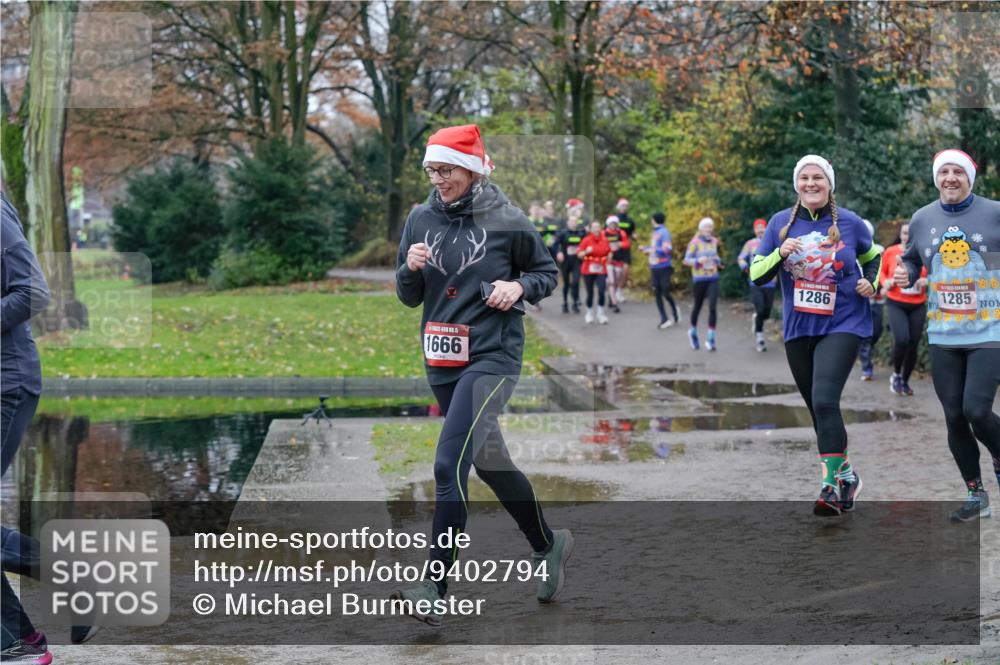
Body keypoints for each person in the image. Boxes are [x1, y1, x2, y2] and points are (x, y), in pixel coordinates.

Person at [394, 124, 572, 624]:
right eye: (431, 170)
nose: (437, 179)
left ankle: (433, 586)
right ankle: (548, 544)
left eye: (445, 170)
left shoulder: (507, 219)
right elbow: (408, 296)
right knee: (492, 463)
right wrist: (408, 269)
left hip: (493, 357)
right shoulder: (420, 218)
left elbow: (546, 274)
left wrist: (518, 288)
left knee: (447, 464)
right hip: (441, 360)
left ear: (471, 170)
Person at [750, 155, 882, 517]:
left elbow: (874, 257)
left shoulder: (851, 223)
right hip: (799, 327)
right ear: (797, 184)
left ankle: (829, 486)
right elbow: (756, 274)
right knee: (818, 409)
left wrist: (871, 282)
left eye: (818, 178)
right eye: (805, 178)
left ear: (829, 184)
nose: (811, 183)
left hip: (843, 322)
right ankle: (848, 476)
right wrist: (780, 252)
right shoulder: (779, 223)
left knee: (825, 400)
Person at [893, 149, 1000, 522]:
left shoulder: (994, 212)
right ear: (936, 178)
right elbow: (912, 258)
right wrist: (906, 272)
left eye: (958, 172)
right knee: (954, 416)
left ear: (970, 177)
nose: (950, 178)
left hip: (990, 330)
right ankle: (976, 495)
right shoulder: (923, 218)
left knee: (976, 410)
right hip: (944, 333)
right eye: (944, 172)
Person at [880, 221, 927, 394]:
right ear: (900, 235)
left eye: (910, 233)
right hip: (896, 303)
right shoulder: (891, 252)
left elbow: (935, 272)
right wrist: (886, 282)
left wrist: (927, 280)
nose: (908, 236)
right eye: (905, 233)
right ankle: (896, 374)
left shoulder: (923, 252)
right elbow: (881, 272)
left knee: (913, 344)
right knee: (902, 339)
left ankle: (905, 381)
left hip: (917, 304)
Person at [738, 218, 777, 352]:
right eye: (757, 228)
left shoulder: (773, 242)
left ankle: (757, 319)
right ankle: (760, 339)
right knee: (760, 310)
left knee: (766, 312)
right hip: (755, 281)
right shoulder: (750, 244)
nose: (760, 230)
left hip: (771, 282)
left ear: (766, 229)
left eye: (762, 227)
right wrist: (745, 267)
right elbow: (741, 258)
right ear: (754, 230)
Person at [683, 217, 723, 351]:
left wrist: (718, 261)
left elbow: (715, 256)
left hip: (713, 277)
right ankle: (693, 332)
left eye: (710, 227)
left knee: (712, 307)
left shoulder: (714, 241)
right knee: (698, 306)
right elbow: (686, 260)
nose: (708, 229)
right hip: (699, 278)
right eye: (706, 227)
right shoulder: (694, 243)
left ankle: (711, 338)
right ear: (700, 229)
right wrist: (698, 261)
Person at [856, 219, 886, 380]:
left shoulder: (879, 250)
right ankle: (867, 368)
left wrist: (881, 286)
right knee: (866, 336)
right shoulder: (852, 249)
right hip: (860, 300)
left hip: (878, 299)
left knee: (877, 331)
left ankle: (861, 350)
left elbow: (884, 271)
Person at [642, 212, 679, 329]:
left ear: (654, 220)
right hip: (654, 266)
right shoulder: (655, 233)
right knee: (657, 292)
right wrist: (646, 249)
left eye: (651, 219)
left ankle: (675, 310)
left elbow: (667, 249)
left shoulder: (664, 232)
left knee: (665, 291)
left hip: (664, 266)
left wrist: (652, 251)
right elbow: (655, 248)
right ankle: (664, 318)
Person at [552, 200, 585, 314]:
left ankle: (575, 303)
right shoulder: (562, 232)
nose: (573, 223)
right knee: (566, 283)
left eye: (575, 222)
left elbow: (586, 243)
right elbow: (555, 244)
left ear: (577, 223)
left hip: (576, 261)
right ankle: (565, 303)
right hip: (565, 261)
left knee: (576, 282)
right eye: (571, 222)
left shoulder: (581, 233)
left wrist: (584, 251)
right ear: (568, 223)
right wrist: (558, 252)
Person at [577, 220, 612, 324]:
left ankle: (600, 314)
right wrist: (586, 251)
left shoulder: (605, 239)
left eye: (598, 227)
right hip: (588, 269)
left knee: (602, 291)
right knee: (590, 293)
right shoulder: (586, 240)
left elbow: (609, 251)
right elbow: (579, 255)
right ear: (591, 229)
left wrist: (610, 255)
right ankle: (589, 313)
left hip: (601, 268)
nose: (596, 229)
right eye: (594, 227)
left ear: (600, 228)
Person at [602, 215, 630, 313]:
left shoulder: (621, 233)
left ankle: (611, 296)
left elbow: (627, 244)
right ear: (608, 224)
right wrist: (607, 248)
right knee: (612, 281)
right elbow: (599, 244)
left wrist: (620, 244)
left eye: (614, 223)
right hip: (608, 261)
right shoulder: (604, 233)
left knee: (617, 280)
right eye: (611, 223)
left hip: (619, 260)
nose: (613, 225)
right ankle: (614, 304)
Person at [613, 198, 635, 302]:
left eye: (626, 206)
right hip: (615, 248)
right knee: (616, 271)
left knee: (625, 270)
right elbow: (606, 232)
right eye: (622, 205)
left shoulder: (630, 220)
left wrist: (634, 236)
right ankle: (613, 290)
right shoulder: (614, 219)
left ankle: (619, 291)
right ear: (618, 207)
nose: (624, 208)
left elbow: (632, 232)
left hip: (626, 247)